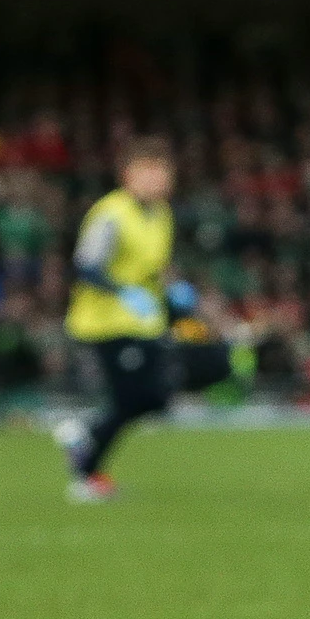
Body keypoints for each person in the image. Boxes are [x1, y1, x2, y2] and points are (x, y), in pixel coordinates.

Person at [57, 138, 236, 502]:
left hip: (144, 320)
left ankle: (86, 446)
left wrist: (176, 291)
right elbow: (87, 266)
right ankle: (87, 464)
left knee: (152, 397)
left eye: (162, 172)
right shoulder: (111, 213)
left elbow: (156, 267)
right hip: (106, 323)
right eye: (149, 172)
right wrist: (123, 291)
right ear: (128, 176)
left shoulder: (161, 214)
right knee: (137, 397)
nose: (157, 180)